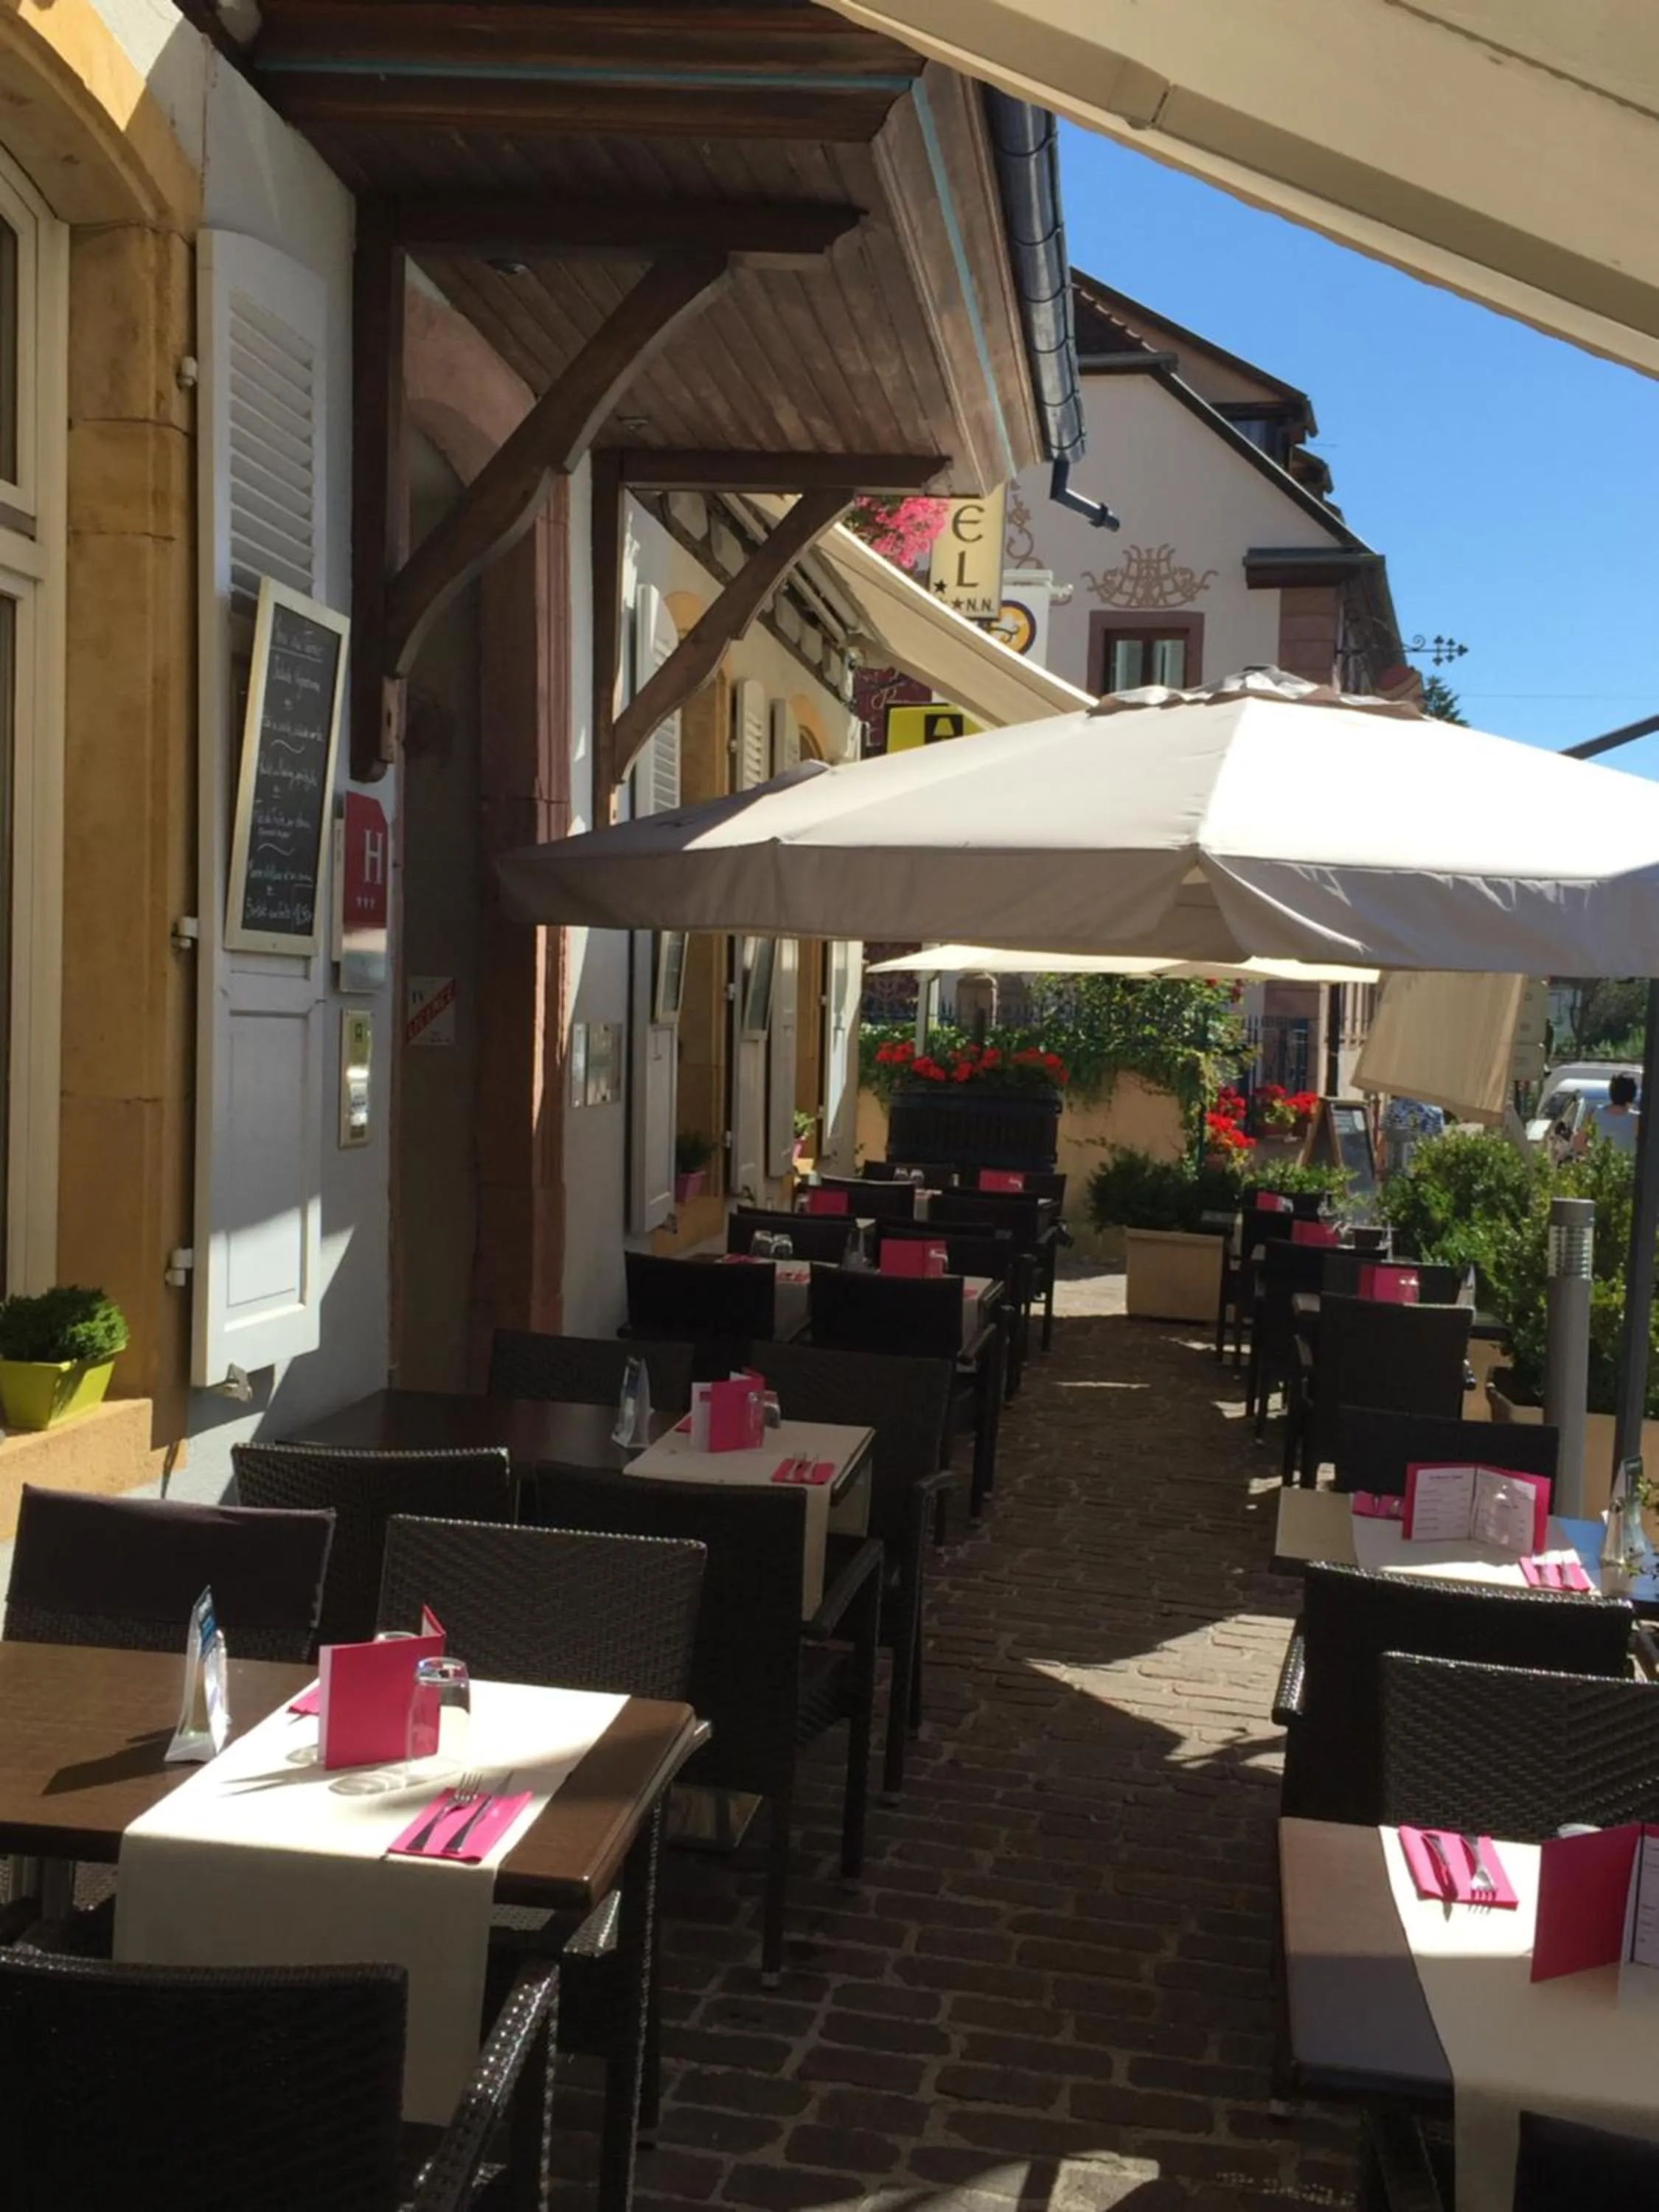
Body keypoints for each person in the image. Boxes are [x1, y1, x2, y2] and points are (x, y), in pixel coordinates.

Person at [1575, 1071, 1641, 1156]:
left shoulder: (1594, 1113)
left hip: (1600, 1166)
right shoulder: (1636, 1120)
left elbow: (1578, 1143)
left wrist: (1594, 1156)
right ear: (1632, 1095)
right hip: (1626, 1167)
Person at [1382, 1095, 1446, 1178]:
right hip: (1425, 1168)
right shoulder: (1436, 1110)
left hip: (1396, 1168)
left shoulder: (1394, 1107)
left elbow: (1385, 1138)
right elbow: (1439, 1141)